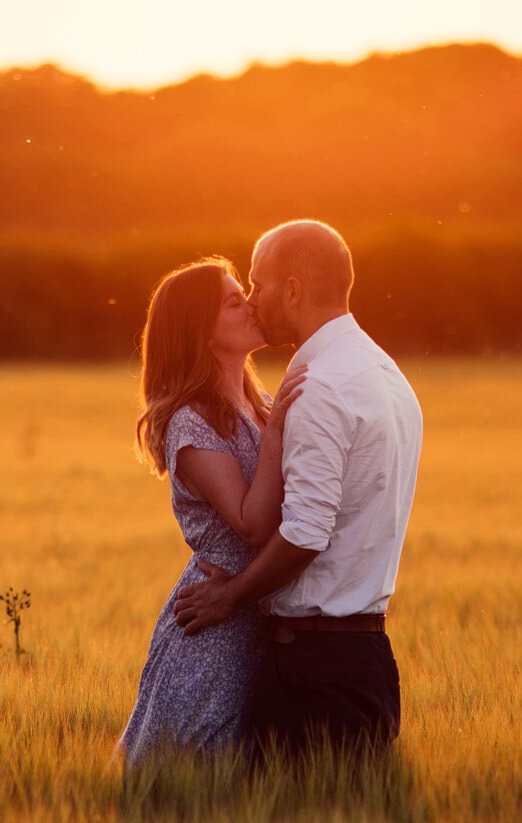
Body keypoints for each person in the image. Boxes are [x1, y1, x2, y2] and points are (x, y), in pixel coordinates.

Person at [173, 220, 423, 762]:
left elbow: (306, 533)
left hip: (314, 671)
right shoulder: (385, 373)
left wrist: (230, 597)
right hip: (366, 656)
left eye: (258, 285)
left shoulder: (320, 387)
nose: (254, 300)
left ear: (293, 289)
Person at [115, 257, 309, 768]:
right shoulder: (190, 421)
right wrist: (280, 430)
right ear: (201, 332)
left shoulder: (258, 401)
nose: (249, 303)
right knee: (199, 768)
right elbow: (252, 522)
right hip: (214, 626)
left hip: (254, 609)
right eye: (232, 300)